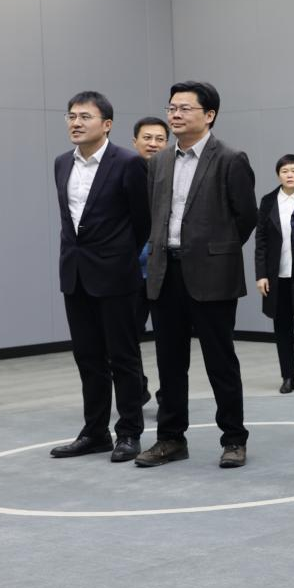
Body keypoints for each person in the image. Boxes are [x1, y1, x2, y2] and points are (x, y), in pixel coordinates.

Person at [137, 81, 258, 469]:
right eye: (172, 108)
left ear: (209, 115)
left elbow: (246, 217)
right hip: (165, 273)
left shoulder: (230, 159)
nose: (175, 114)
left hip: (212, 274)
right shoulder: (159, 161)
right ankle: (170, 439)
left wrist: (217, 251)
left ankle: (234, 439)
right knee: (170, 363)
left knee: (220, 361)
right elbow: (153, 215)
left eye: (184, 108)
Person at [50, 91, 150, 462]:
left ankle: (129, 432)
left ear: (106, 124)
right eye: (71, 116)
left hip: (116, 274)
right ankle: (95, 433)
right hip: (75, 273)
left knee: (123, 358)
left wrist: (118, 255)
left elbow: (143, 221)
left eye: (85, 116)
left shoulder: (128, 162)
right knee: (87, 357)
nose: (76, 123)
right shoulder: (62, 163)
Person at [255, 154, 294, 394]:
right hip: (276, 276)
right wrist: (261, 275)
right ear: (278, 175)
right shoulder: (268, 201)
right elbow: (261, 240)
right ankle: (287, 377)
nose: (289, 175)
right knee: (282, 330)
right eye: (284, 171)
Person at [131, 116, 168, 406]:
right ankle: (136, 390)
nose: (153, 144)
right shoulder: (123, 175)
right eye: (147, 138)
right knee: (126, 339)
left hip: (166, 272)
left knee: (169, 341)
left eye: (160, 139)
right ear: (135, 142)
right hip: (130, 274)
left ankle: (169, 396)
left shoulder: (174, 175)